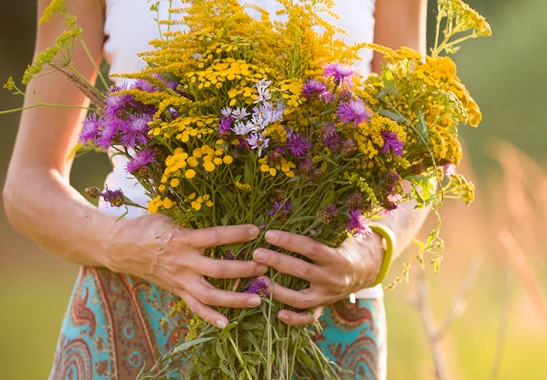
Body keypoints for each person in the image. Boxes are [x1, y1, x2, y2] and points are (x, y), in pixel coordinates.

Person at [3, 0, 429, 378]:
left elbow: (422, 154)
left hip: (324, 314)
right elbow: (27, 185)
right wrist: (124, 242)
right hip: (138, 304)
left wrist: (371, 252)